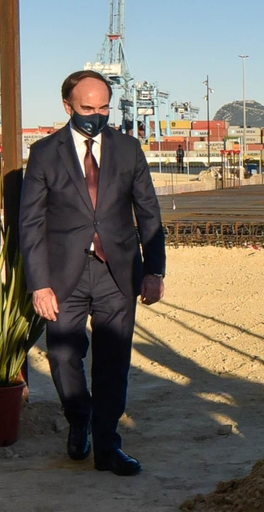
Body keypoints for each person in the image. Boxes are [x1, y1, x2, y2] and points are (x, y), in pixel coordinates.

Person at [19, 70, 166, 475]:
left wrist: (154, 270)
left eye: (103, 107)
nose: (96, 115)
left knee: (113, 361)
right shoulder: (45, 153)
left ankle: (107, 445)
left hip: (116, 272)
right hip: (62, 273)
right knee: (64, 356)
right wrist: (39, 284)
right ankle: (78, 415)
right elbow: (30, 223)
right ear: (68, 106)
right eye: (87, 108)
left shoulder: (129, 149)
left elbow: (148, 213)